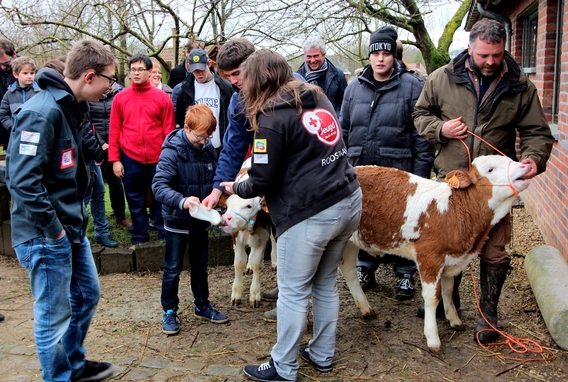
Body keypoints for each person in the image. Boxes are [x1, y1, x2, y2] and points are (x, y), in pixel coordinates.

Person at [220, 49, 362, 382]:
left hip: (311, 212)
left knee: (294, 291)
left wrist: (235, 187)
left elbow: (261, 180)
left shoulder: (271, 117)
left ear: (258, 80)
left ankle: (283, 366)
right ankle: (322, 353)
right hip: (348, 199)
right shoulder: (318, 96)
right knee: (325, 283)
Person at [413, 18, 554, 344]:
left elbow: (537, 133)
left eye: (496, 54)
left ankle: (487, 315)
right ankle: (450, 301)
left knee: (494, 248)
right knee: (448, 244)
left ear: (503, 47)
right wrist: (441, 130)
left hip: (495, 187)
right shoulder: (441, 78)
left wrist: (534, 158)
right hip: (452, 180)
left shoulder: (520, 85)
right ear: (470, 46)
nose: (490, 61)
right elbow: (420, 114)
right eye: (483, 55)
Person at [6, 39, 117, 382]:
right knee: (53, 314)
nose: (111, 87)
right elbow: (23, 181)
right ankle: (58, 376)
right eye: (109, 79)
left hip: (69, 226)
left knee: (86, 296)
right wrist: (54, 230)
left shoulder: (71, 107)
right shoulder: (41, 112)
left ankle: (73, 364)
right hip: (45, 234)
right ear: (89, 75)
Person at [340, 26, 434, 301]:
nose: (380, 58)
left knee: (404, 222)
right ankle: (365, 267)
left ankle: (405, 273)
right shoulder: (353, 89)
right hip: (362, 171)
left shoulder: (412, 87)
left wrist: (420, 178)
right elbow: (343, 132)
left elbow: (422, 138)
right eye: (375, 53)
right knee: (365, 220)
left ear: (394, 55)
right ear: (369, 56)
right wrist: (345, 166)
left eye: (386, 53)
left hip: (399, 171)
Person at [152, 103, 228, 335]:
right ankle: (169, 311)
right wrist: (182, 201)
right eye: (199, 137)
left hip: (201, 221)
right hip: (177, 222)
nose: (204, 141)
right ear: (186, 128)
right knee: (172, 268)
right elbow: (158, 186)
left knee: (200, 267)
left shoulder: (207, 148)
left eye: (208, 137)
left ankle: (202, 305)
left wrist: (218, 205)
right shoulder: (172, 152)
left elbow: (214, 179)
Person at [109, 54, 175, 245]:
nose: (136, 73)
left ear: (149, 72)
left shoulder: (163, 98)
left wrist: (168, 158)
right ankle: (139, 234)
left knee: (160, 195)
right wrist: (115, 159)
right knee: (134, 197)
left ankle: (163, 231)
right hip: (130, 156)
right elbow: (114, 131)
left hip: (158, 157)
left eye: (140, 69)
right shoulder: (120, 99)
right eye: (133, 70)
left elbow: (169, 131)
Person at [172, 49, 233, 153]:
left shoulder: (225, 88)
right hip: (195, 149)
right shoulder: (185, 91)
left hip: (221, 148)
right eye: (195, 70)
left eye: (202, 69)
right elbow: (181, 123)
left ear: (209, 64)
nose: (199, 74)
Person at [88, 82, 131, 228]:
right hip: (95, 144)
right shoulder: (91, 96)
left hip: (115, 145)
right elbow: (89, 123)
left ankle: (120, 215)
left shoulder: (120, 95)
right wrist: (99, 142)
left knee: (116, 183)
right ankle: (98, 222)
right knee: (96, 186)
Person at [296, 37, 348, 115]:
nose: (312, 60)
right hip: (308, 123)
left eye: (316, 56)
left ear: (324, 55)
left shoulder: (338, 75)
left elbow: (345, 104)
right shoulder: (297, 78)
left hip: (332, 121)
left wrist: (338, 119)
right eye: (309, 57)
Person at [0, 56, 41, 149]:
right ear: (16, 74)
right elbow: (3, 114)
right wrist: (12, 126)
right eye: (25, 73)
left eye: (32, 73)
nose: (29, 76)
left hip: (36, 135)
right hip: (16, 137)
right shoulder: (9, 94)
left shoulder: (40, 92)